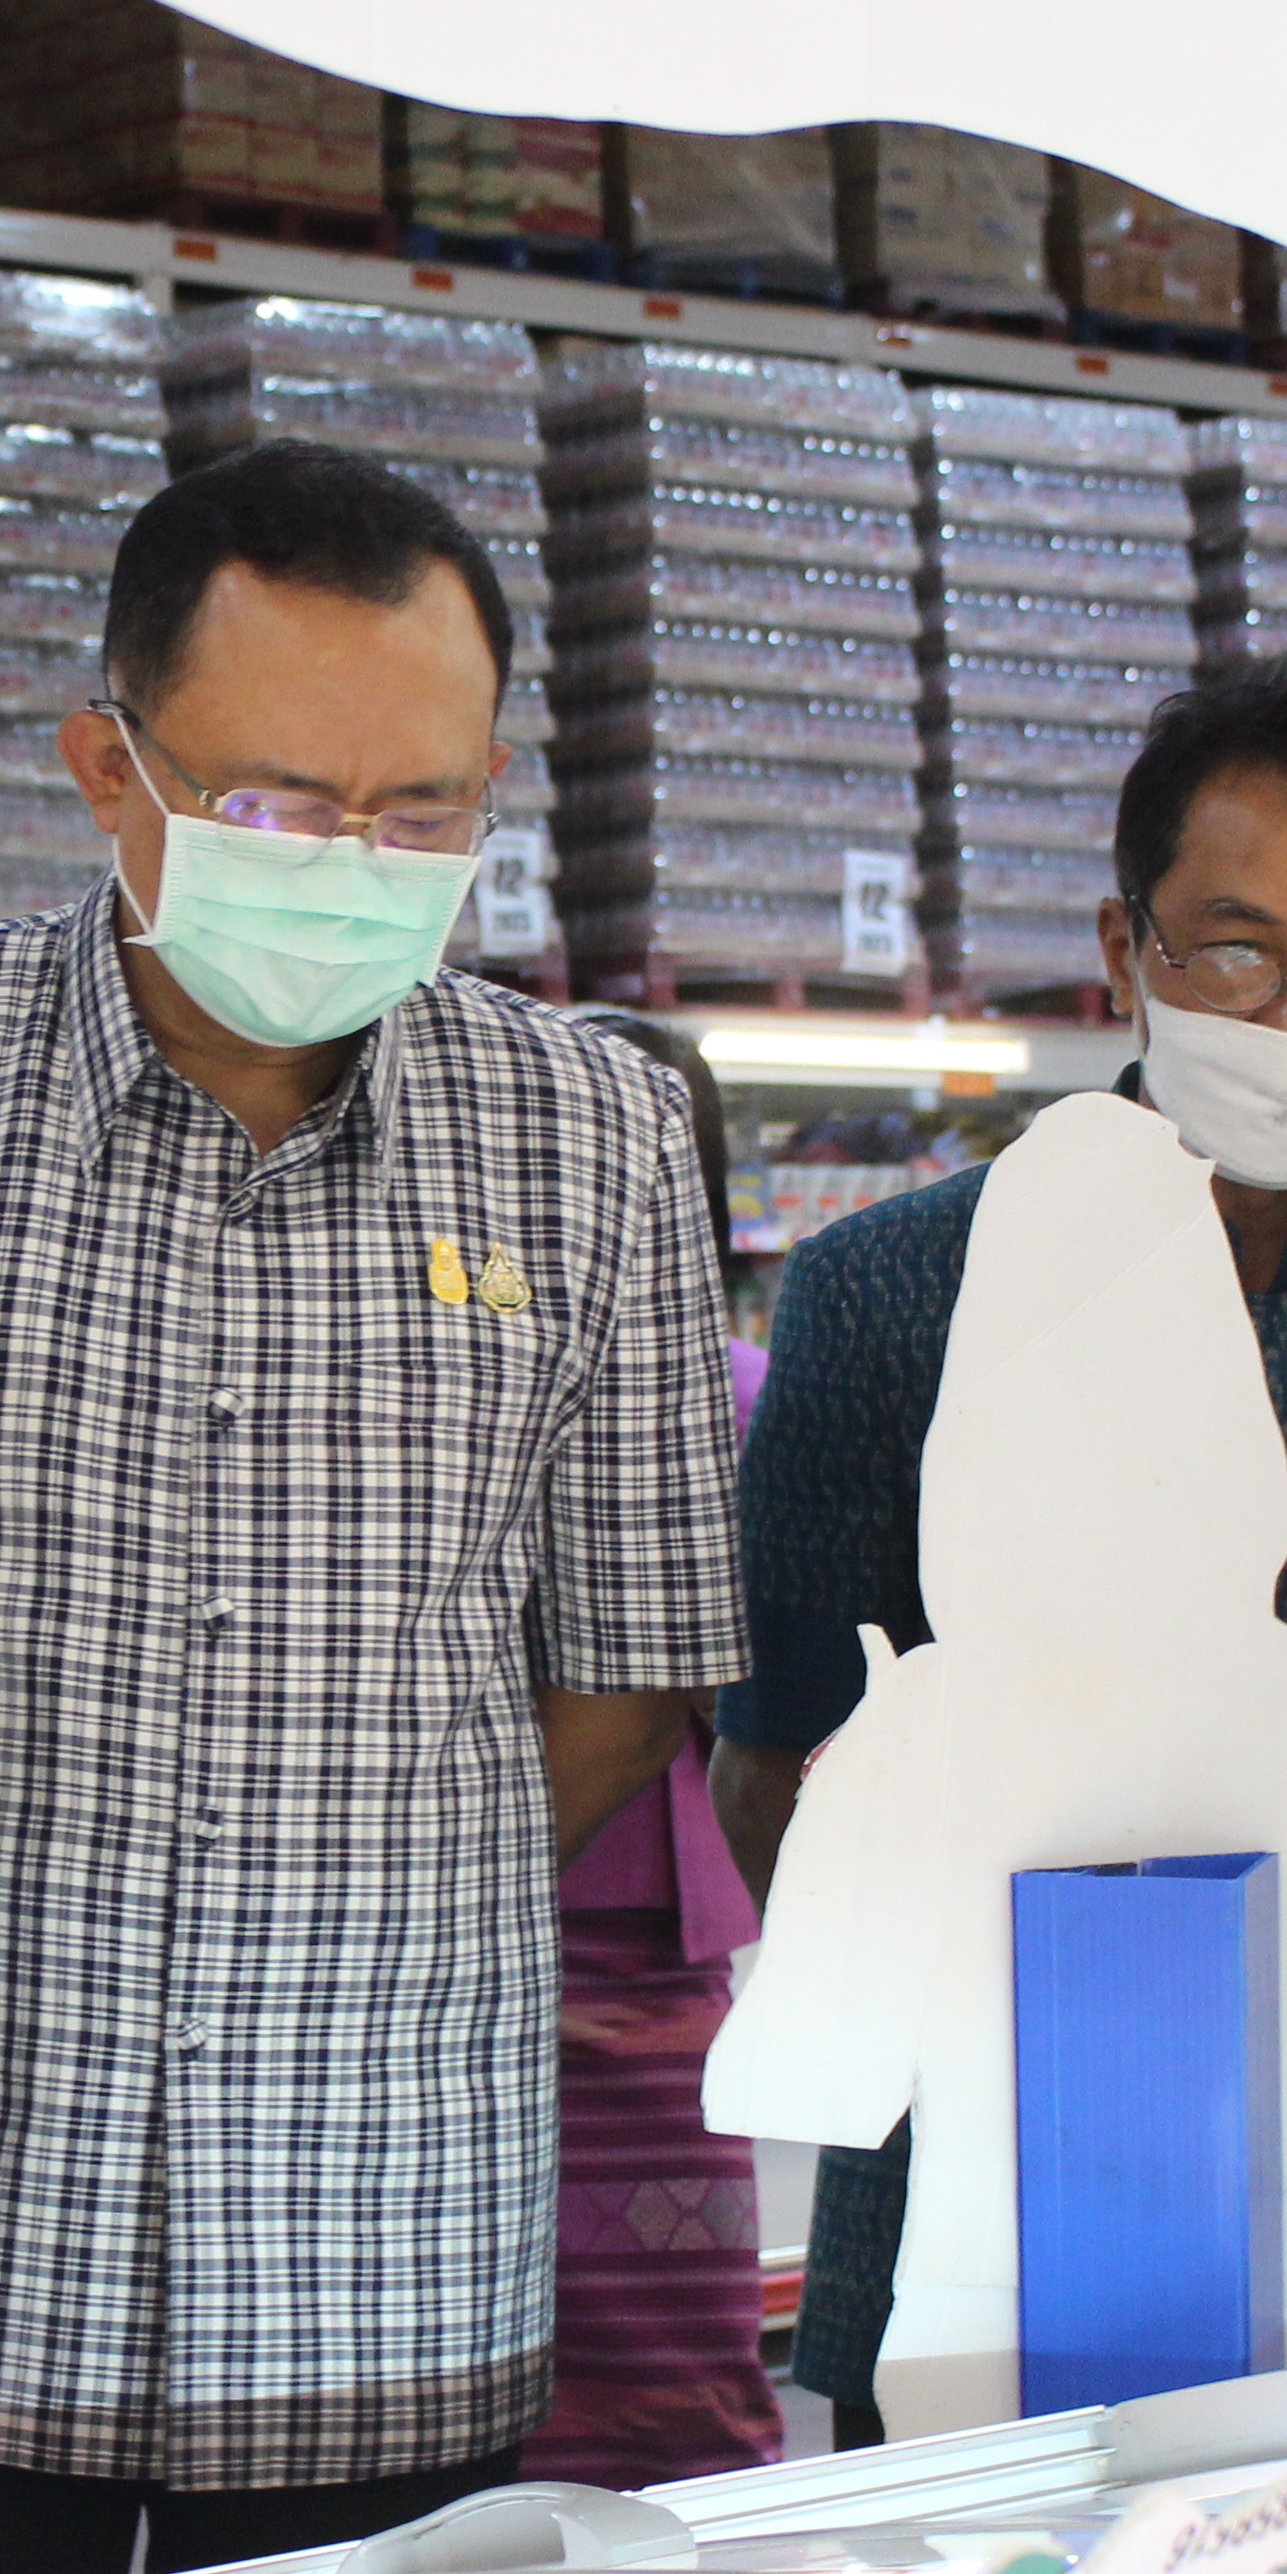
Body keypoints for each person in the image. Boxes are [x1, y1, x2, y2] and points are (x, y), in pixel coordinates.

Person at [0, 439, 746, 2574]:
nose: (350, 862)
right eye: (271, 808)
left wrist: (354, 1877)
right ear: (106, 772)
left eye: (419, 813)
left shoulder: (595, 1139)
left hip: (384, 2238)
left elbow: (632, 1673)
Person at [717, 643, 1287, 2448]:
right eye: (1231, 949)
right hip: (972, 2209)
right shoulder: (888, 1294)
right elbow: (769, 1762)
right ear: (1121, 946)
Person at [528, 1009, 783, 2492]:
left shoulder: (739, 1397)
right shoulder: (729, 1392)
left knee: (661, 2367)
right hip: (607, 1920)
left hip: (620, 1936)